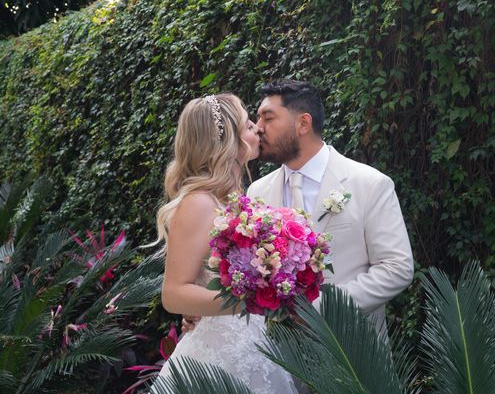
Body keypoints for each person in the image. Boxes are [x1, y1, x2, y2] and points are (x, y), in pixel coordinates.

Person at [183, 79, 414, 333]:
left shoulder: (369, 184)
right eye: (257, 119)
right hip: (276, 359)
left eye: (267, 118)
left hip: (351, 352)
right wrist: (207, 311)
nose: (258, 129)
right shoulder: (257, 191)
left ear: (303, 124)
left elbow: (396, 268)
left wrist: (319, 310)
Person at [152, 93, 297, 394]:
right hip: (218, 357)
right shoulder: (199, 203)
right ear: (227, 141)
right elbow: (174, 293)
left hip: (252, 343)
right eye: (247, 126)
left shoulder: (229, 200)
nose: (257, 129)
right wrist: (249, 301)